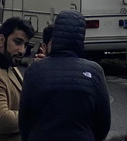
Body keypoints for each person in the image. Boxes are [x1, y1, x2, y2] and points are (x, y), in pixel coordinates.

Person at [18, 10, 110, 141]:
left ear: (56, 36)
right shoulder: (95, 72)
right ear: (81, 38)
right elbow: (103, 122)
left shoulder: (34, 71)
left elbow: (24, 119)